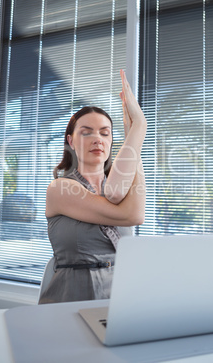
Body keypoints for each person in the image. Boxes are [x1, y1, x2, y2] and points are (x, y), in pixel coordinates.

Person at [38, 69, 147, 304]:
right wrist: (139, 125)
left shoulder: (117, 187)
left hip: (120, 296)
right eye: (86, 133)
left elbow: (121, 196)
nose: (97, 139)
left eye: (105, 133)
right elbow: (133, 214)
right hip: (73, 296)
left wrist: (132, 139)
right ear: (71, 141)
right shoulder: (60, 189)